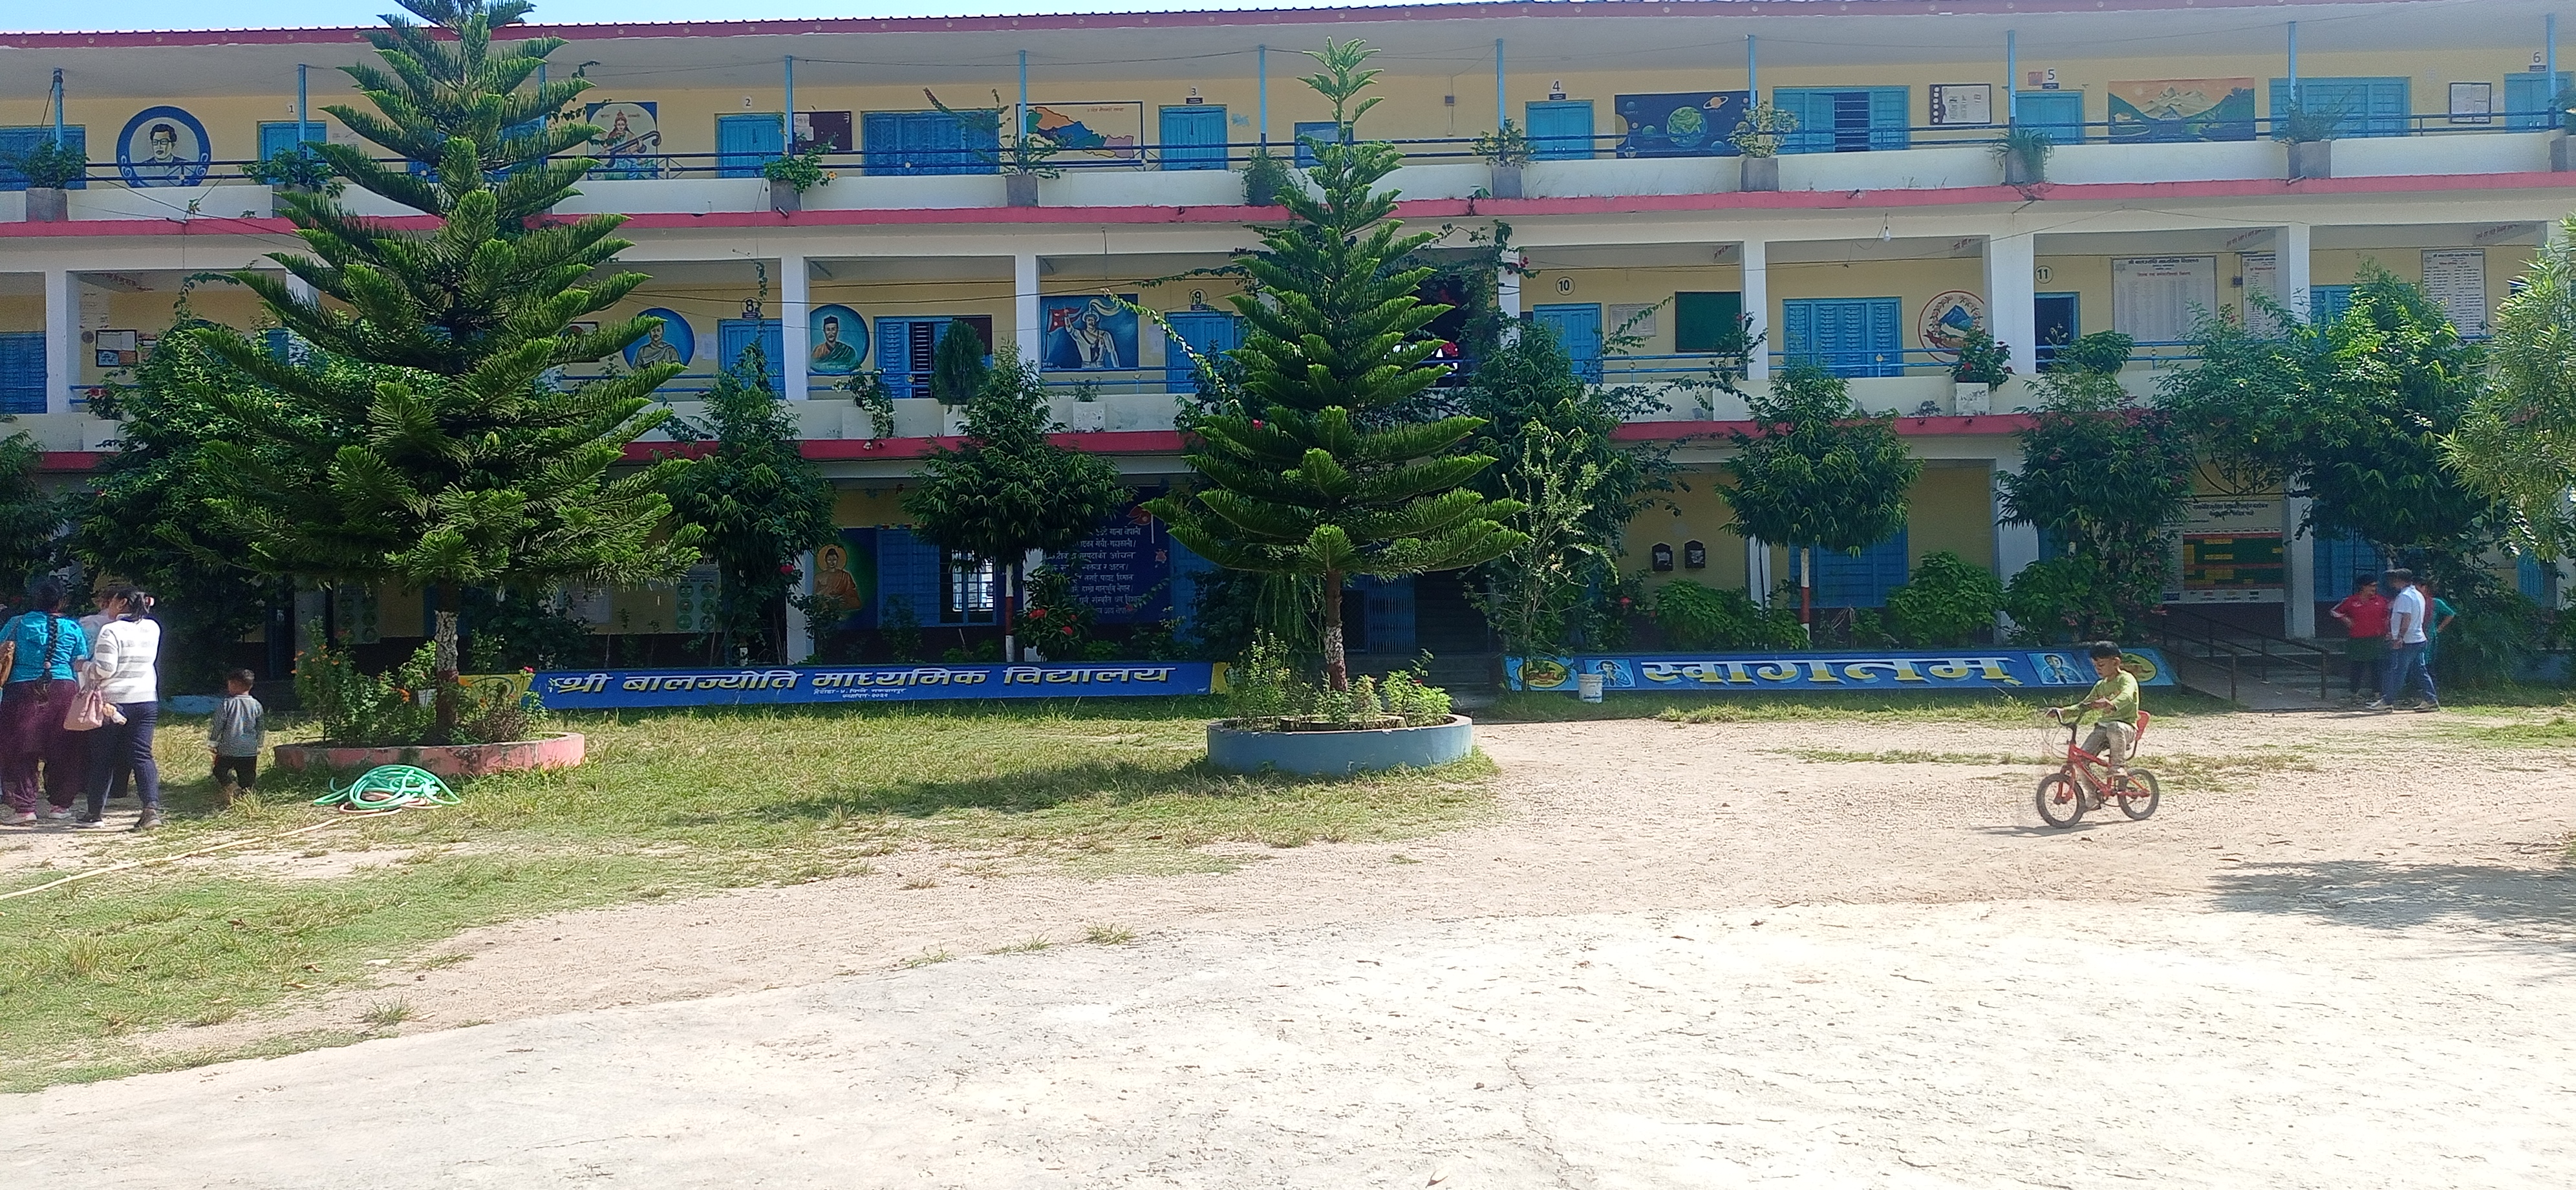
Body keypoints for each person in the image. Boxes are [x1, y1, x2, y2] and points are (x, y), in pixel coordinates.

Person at [0, 579, 90, 825]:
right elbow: (80, 662)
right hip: (64, 689)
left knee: (18, 749)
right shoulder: (73, 628)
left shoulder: (16, 624)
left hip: (21, 690)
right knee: (65, 748)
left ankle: (24, 808)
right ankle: (60, 806)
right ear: (62, 601)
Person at [81, 585, 163, 830]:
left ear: (121, 603)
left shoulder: (111, 630)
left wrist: (83, 666)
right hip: (146, 698)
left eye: (112, 601)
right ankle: (151, 809)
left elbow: (104, 669)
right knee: (142, 755)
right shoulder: (153, 627)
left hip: (112, 702)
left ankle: (95, 814)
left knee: (103, 758)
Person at [2047, 641, 2141, 779]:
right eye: (2095, 666)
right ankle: (2093, 791)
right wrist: (2063, 711)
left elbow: (2127, 695)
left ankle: (2118, 766)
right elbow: (2084, 705)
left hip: (2126, 728)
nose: (2098, 669)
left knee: (2115, 727)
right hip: (2103, 729)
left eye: (2101, 665)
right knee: (2081, 761)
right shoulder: (2100, 685)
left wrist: (2112, 704)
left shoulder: (2126, 679)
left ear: (2115, 662)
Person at [2370, 568, 2438, 713]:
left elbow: (2406, 618)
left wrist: (2399, 637)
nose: (2392, 583)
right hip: (2418, 639)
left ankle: (2387, 701)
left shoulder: (2404, 597)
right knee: (2420, 671)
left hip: (2408, 641)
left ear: (2400, 580)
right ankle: (2431, 700)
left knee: (2398, 671)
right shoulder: (2417, 594)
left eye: (2394, 579)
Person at [208, 668, 264, 808]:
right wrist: (259, 744)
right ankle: (247, 798)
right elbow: (260, 726)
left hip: (228, 747)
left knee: (219, 770)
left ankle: (232, 787)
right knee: (247, 776)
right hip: (249, 749)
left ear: (234, 684)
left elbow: (218, 723)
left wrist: (213, 741)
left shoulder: (227, 703)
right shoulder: (257, 705)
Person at [2328, 575, 2388, 702]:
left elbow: (2388, 615)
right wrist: (2346, 619)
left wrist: (2387, 630)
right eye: (2371, 586)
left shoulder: (2381, 601)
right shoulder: (2351, 601)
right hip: (2357, 639)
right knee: (2357, 667)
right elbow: (2334, 611)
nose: (2374, 589)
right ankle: (2354, 693)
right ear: (2363, 587)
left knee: (2377, 666)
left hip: (2376, 639)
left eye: (2375, 586)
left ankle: (2377, 693)